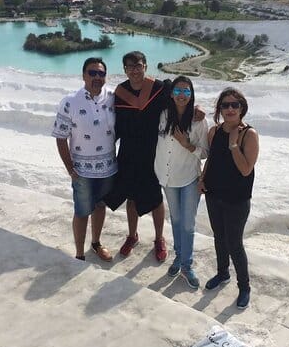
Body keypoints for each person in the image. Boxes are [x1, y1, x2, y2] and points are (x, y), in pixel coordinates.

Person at [103, 51, 172, 262]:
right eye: (130, 66)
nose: (134, 70)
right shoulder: (121, 92)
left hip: (152, 152)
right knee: (131, 196)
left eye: (138, 65)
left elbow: (179, 106)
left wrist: (195, 109)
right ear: (125, 69)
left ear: (145, 67)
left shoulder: (159, 88)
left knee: (155, 198)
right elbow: (113, 123)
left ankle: (159, 238)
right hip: (128, 152)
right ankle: (132, 236)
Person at [198, 87, 259, 309]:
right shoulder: (214, 131)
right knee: (219, 237)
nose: (230, 109)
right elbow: (211, 159)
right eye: (225, 105)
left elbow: (245, 169)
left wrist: (234, 145)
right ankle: (222, 273)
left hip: (237, 198)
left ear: (242, 108)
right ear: (220, 109)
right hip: (214, 194)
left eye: (235, 105)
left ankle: (244, 286)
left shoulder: (249, 134)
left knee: (234, 243)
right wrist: (202, 178)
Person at [52, 57, 116, 262]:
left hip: (108, 169)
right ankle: (79, 254)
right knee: (81, 212)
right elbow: (60, 137)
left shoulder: (113, 97)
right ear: (83, 75)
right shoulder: (70, 101)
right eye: (92, 72)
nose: (97, 77)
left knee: (100, 206)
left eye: (101, 73)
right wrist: (70, 169)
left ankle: (96, 243)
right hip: (82, 171)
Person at [154, 76, 209, 289]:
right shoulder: (162, 114)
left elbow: (205, 153)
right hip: (167, 177)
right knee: (176, 220)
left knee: (187, 224)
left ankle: (186, 265)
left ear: (191, 95)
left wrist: (188, 145)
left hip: (189, 178)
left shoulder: (198, 121)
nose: (182, 95)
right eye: (178, 90)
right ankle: (178, 256)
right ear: (171, 93)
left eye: (186, 91)